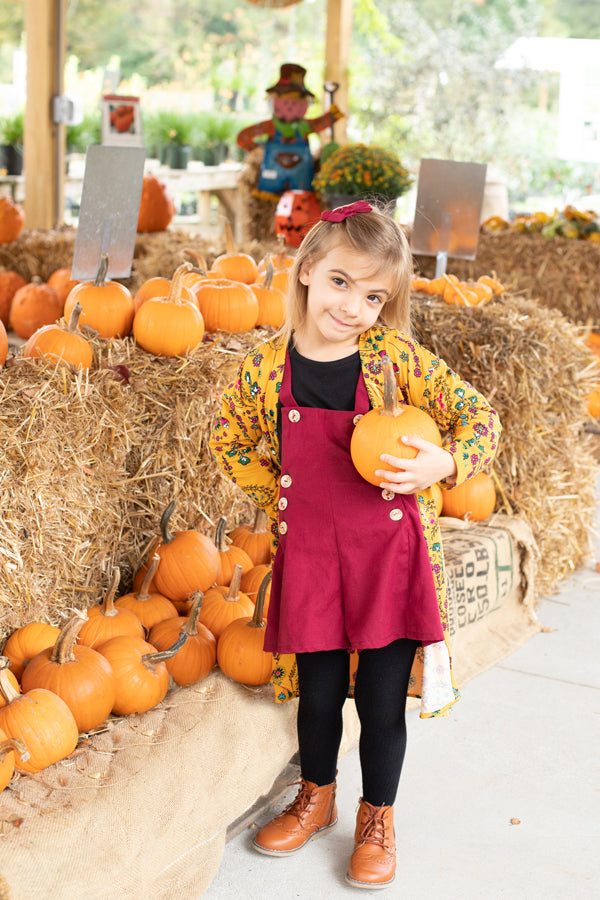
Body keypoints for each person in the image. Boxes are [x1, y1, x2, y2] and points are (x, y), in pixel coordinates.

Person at [209, 200, 501, 890]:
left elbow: (479, 416)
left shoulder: (394, 359)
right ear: (308, 269)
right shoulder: (265, 370)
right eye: (342, 283)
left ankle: (378, 816)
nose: (354, 306)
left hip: (387, 557)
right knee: (316, 695)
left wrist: (445, 465)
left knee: (377, 697)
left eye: (374, 296)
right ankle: (317, 795)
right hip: (310, 555)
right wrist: (280, 495)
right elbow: (227, 440)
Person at [236, 63, 344, 199]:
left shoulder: (305, 127)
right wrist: (258, 150)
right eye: (285, 102)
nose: (290, 107)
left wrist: (331, 116)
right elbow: (243, 137)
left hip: (301, 186)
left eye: (295, 102)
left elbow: (319, 124)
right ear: (274, 101)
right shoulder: (269, 127)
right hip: (271, 184)